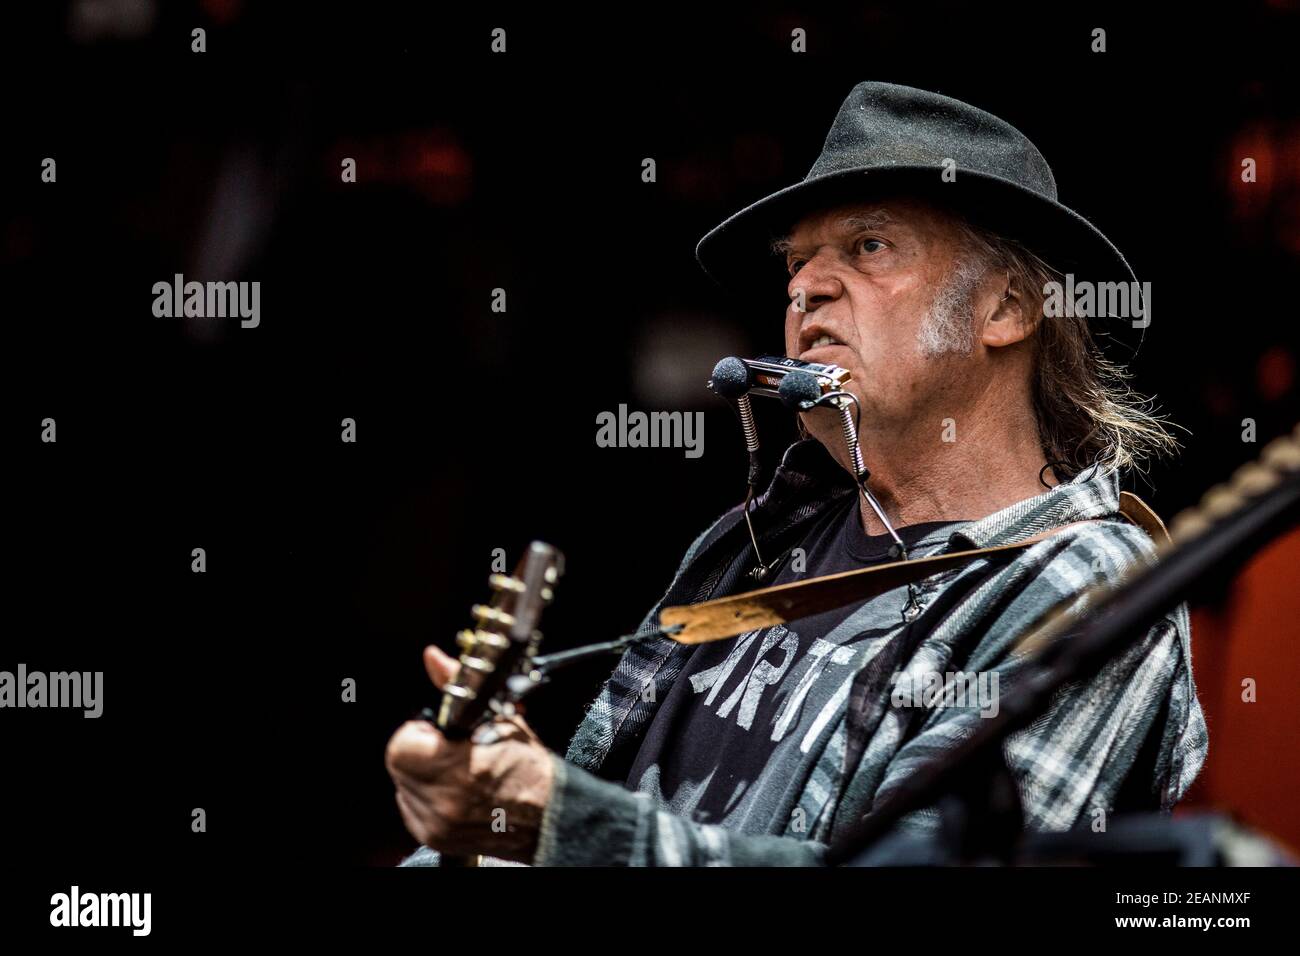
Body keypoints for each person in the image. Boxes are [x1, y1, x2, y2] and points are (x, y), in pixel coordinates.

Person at [386, 81, 1208, 866]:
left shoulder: (1089, 591)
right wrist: (492, 826)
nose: (806, 288)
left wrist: (565, 824)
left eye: (868, 246)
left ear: (1006, 309)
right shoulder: (766, 534)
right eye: (797, 264)